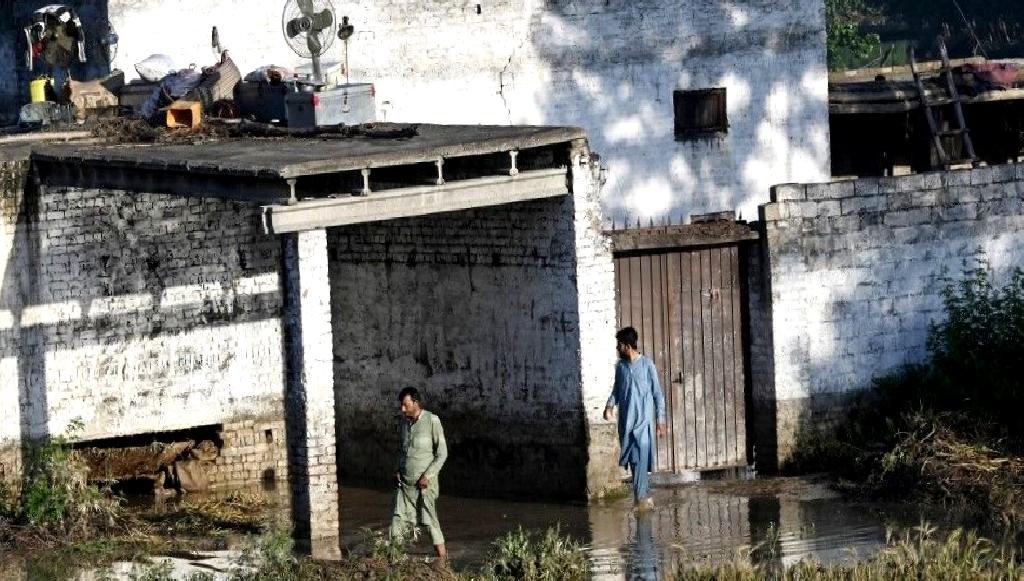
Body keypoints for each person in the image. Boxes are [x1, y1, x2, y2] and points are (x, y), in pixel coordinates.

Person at [604, 327, 666, 510]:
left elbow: (657, 394)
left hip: (643, 424)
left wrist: (660, 420)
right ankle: (644, 498)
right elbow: (616, 390)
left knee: (639, 460)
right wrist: (609, 406)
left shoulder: (647, 365)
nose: (617, 348)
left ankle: (641, 500)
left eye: (620, 345)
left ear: (628, 346)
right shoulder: (621, 367)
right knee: (633, 462)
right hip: (626, 424)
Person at [389, 387, 448, 561]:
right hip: (405, 484)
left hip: (425, 485)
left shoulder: (432, 421)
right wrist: (397, 469)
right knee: (397, 520)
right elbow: (401, 450)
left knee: (429, 522)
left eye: (405, 405)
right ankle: (394, 561)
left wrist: (427, 476)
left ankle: (443, 561)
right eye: (401, 405)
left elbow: (442, 453)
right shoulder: (403, 424)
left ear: (416, 403)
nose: (402, 409)